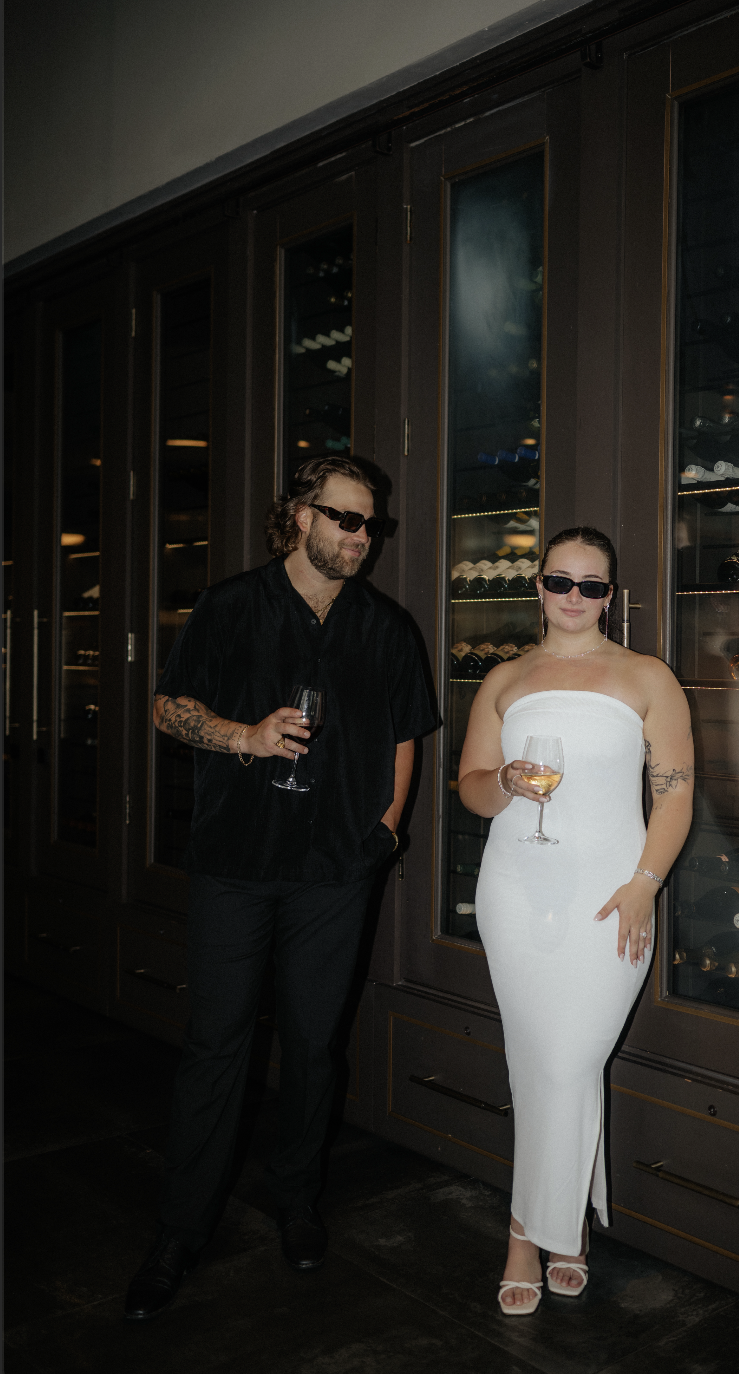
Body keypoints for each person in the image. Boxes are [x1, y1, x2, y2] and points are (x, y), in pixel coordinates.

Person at [124, 456, 437, 1321]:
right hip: (236, 863)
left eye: (372, 525)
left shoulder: (386, 626)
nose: (360, 538)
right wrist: (242, 737)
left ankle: (296, 1201)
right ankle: (180, 1229)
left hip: (337, 872)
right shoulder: (231, 606)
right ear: (299, 516)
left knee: (311, 1047)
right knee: (216, 1045)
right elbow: (166, 707)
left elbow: (407, 732)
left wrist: (385, 829)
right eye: (344, 519)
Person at [458, 526, 693, 1315]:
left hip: (611, 899)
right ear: (539, 586)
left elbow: (676, 793)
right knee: (537, 1063)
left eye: (592, 586)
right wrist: (509, 785)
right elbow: (472, 790)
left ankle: (528, 1226)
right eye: (561, 582)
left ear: (611, 597)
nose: (574, 598)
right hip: (515, 893)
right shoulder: (504, 678)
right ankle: (556, 1231)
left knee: (565, 1061)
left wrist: (644, 884)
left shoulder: (647, 677)